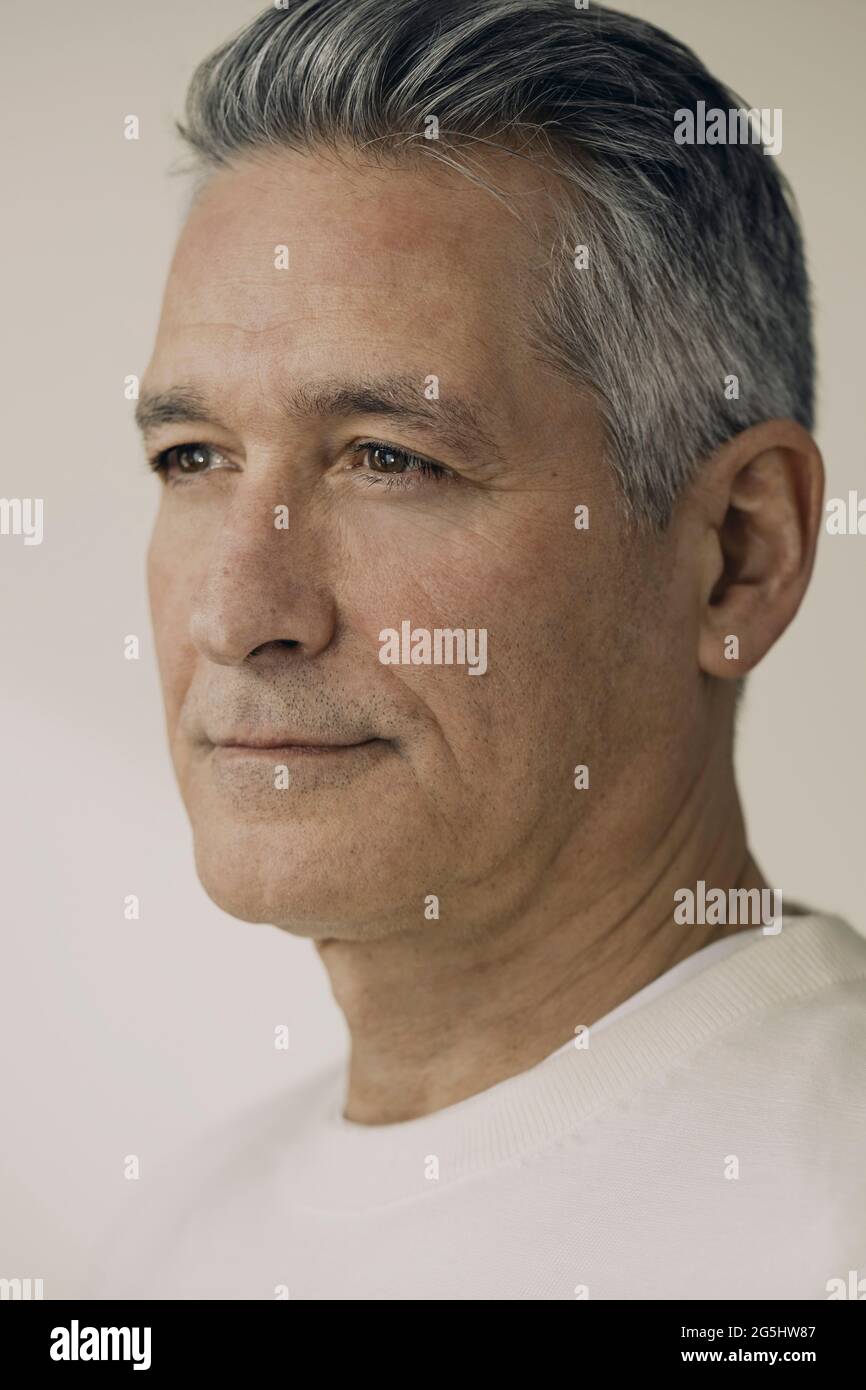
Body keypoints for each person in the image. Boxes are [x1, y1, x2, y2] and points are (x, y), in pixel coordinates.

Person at [89, 0, 866, 1299]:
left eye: (388, 458)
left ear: (739, 551)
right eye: (193, 458)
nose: (238, 611)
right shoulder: (167, 1239)